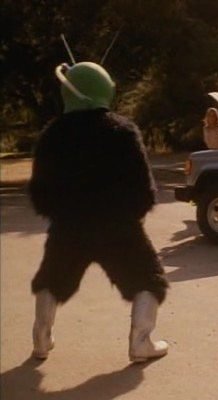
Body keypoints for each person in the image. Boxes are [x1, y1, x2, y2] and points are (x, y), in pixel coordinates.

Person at [29, 61, 169, 363]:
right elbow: (143, 189)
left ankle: (41, 335)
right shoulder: (123, 131)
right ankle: (141, 342)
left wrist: (60, 215)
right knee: (148, 279)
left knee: (52, 278)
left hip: (68, 226)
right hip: (118, 226)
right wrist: (132, 216)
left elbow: (40, 192)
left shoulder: (52, 134)